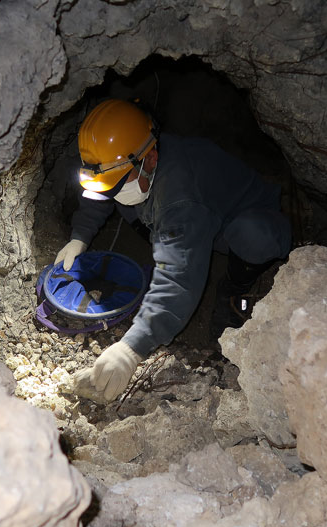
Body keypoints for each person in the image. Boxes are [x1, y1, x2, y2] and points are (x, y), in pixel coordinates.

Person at [56, 98, 291, 402]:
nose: (110, 190)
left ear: (151, 158)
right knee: (129, 195)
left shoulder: (180, 197)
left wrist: (132, 348)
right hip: (179, 212)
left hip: (237, 220)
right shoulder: (125, 158)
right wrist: (80, 236)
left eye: (116, 183)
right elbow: (99, 188)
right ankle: (167, 242)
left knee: (256, 237)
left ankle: (235, 289)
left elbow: (179, 282)